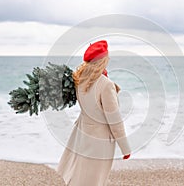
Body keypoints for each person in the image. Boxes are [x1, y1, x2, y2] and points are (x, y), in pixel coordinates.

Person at [56, 40, 131, 186]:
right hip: (100, 140)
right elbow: (114, 120)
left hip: (82, 133)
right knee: (94, 180)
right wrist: (125, 147)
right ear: (103, 60)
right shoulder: (105, 84)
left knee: (78, 175)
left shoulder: (80, 79)